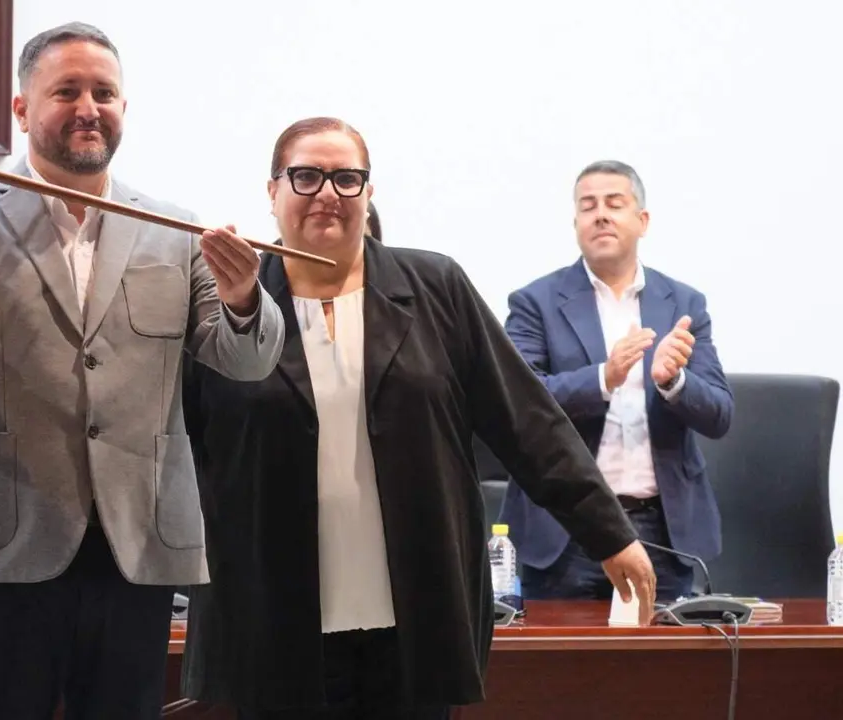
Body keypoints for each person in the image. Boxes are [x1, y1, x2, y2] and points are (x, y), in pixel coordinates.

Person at [0, 21, 284, 720]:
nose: (89, 108)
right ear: (22, 110)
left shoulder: (174, 229)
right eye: (67, 92)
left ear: (124, 108)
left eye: (104, 93)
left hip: (135, 547)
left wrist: (243, 298)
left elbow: (247, 359)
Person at [179, 117, 656, 720]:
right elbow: (176, 441)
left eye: (346, 178)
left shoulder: (435, 287)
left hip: (415, 617)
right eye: (305, 176)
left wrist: (609, 533)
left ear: (369, 193)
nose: (327, 193)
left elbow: (528, 422)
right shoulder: (224, 303)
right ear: (272, 192)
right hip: (271, 619)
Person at [501, 160, 733, 603]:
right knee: (558, 650)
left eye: (614, 203)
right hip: (567, 525)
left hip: (661, 530)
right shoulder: (535, 303)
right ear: (575, 223)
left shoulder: (684, 303)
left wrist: (674, 382)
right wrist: (603, 379)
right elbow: (517, 402)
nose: (601, 215)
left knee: (661, 650)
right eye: (588, 206)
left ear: (642, 220)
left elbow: (720, 414)